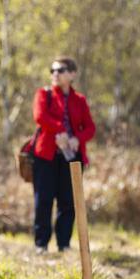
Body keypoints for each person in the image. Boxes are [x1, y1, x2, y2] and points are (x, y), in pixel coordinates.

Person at [31, 56, 96, 253]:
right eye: (52, 70)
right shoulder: (44, 94)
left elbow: (90, 128)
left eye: (60, 70)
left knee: (68, 201)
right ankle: (41, 244)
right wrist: (60, 131)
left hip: (72, 158)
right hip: (46, 156)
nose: (55, 74)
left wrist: (76, 138)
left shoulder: (80, 100)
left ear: (73, 74)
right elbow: (40, 117)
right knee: (43, 200)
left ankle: (64, 245)